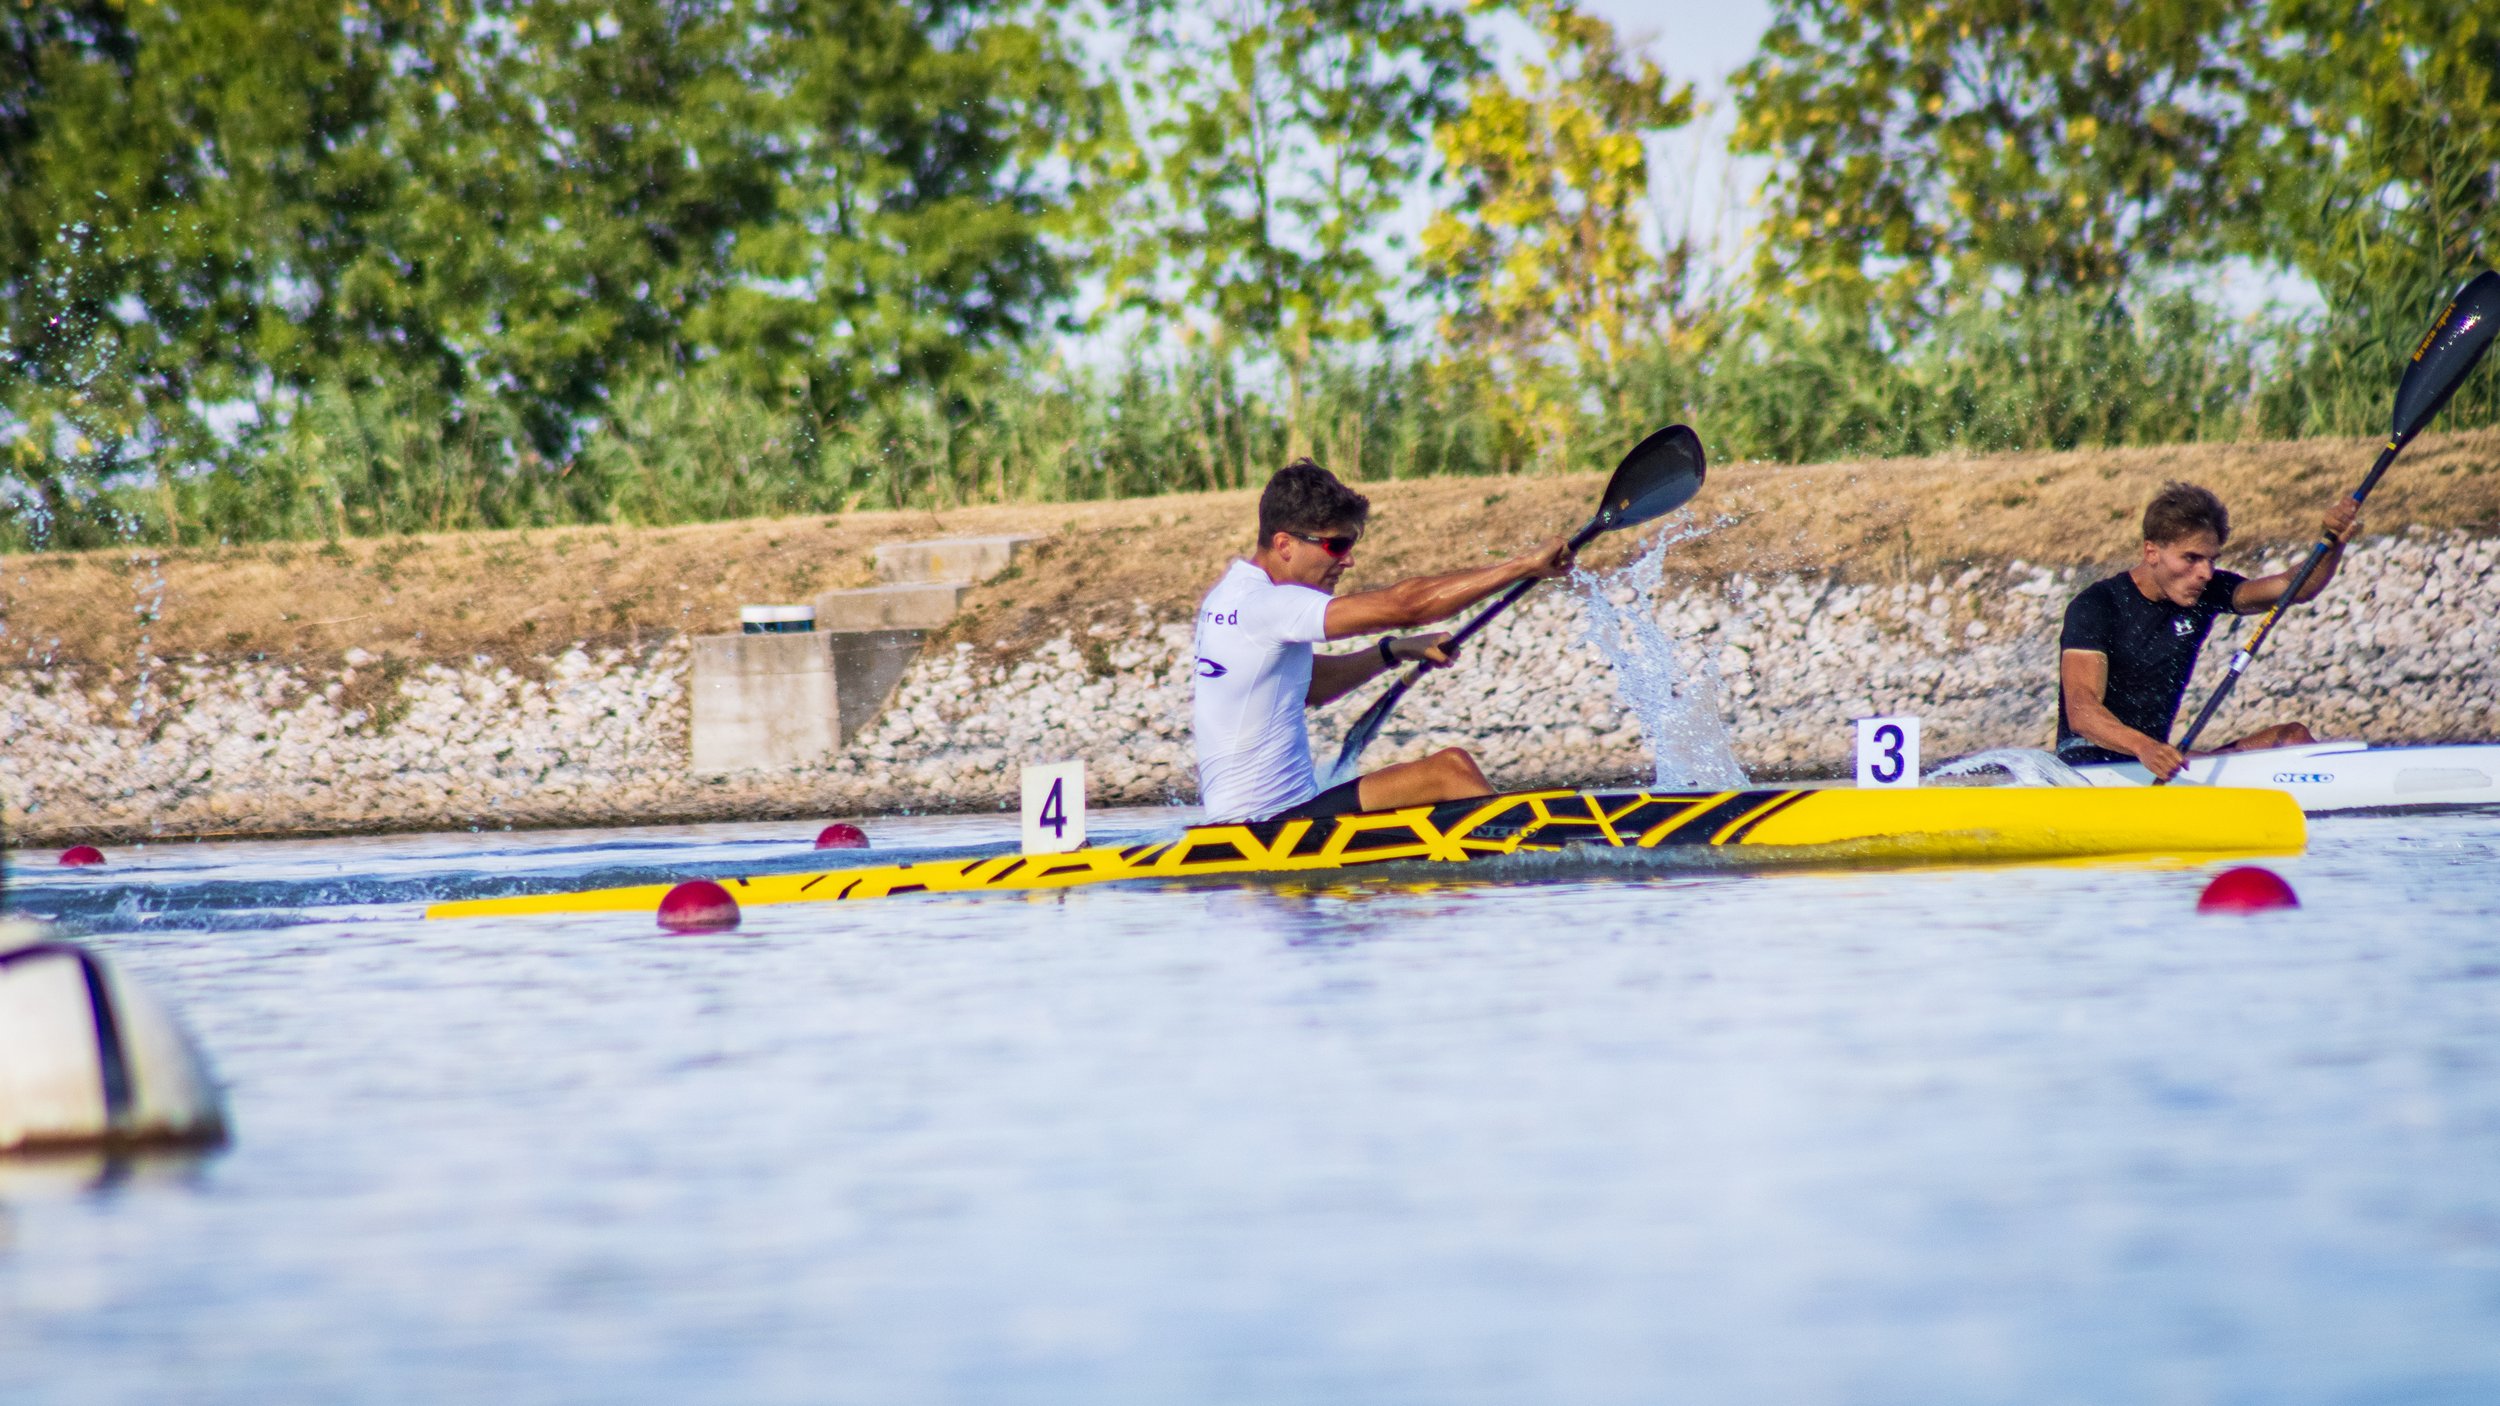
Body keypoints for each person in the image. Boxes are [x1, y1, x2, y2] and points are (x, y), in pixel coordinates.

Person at [1192, 458, 1575, 823]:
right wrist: (1524, 566)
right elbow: (1406, 606)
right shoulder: (1267, 605)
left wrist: (1392, 651)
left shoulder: (1232, 595)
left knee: (1447, 776)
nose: (1349, 560)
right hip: (1265, 828)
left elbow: (1309, 685)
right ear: (1285, 545)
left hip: (1271, 819)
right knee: (1450, 772)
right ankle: (1544, 848)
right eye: (1336, 545)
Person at [2057, 480, 2362, 779]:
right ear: (2151, 552)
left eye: (2211, 559)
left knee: (2292, 737)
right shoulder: (2098, 605)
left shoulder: (2206, 592)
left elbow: (2294, 587)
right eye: (2191, 558)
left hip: (2153, 763)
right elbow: (2082, 711)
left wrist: (2333, 541)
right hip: (2091, 769)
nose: (2205, 572)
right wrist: (2144, 747)